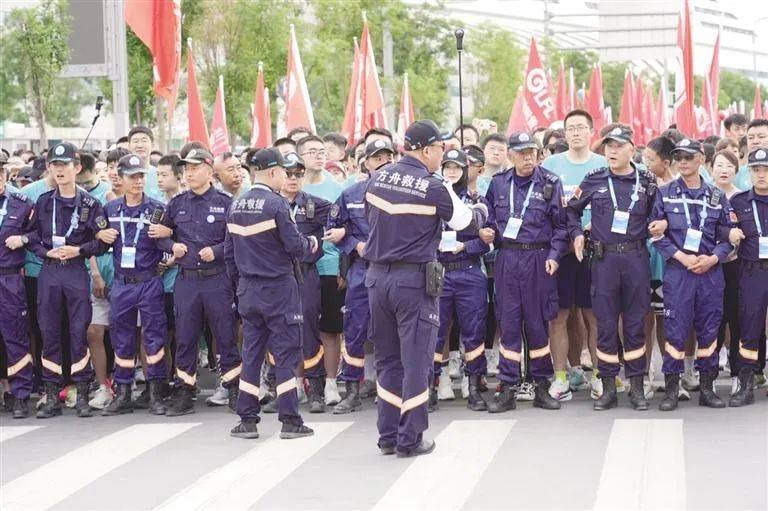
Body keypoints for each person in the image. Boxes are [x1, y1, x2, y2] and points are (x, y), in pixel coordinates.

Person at [363, 120, 488, 457]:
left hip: (376, 278)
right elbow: (467, 224)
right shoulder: (434, 187)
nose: (441, 157)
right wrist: (479, 207)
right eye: (440, 150)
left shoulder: (377, 178)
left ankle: (388, 434)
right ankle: (411, 438)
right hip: (413, 281)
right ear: (427, 149)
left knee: (388, 361)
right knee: (416, 360)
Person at [225, 147, 319, 439]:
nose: (286, 177)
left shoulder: (237, 205)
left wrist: (238, 287)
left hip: (248, 290)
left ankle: (247, 420)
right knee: (286, 354)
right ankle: (290, 420)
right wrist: (313, 243)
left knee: (251, 354)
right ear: (274, 172)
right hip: (278, 289)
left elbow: (229, 254)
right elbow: (295, 246)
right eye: (284, 172)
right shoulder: (277, 205)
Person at [567, 125, 657, 411]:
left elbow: (659, 213)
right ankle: (607, 386)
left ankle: (637, 386)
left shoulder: (647, 180)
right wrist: (578, 233)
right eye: (609, 146)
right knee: (605, 325)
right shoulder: (594, 179)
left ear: (633, 148)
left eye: (619, 146)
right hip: (604, 261)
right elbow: (571, 210)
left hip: (635, 259)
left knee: (635, 325)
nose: (613, 151)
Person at [153, 148, 242, 416]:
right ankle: (185, 389)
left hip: (217, 280)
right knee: (185, 337)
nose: (188, 173)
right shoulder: (177, 203)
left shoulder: (226, 203)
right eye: (186, 169)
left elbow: (237, 239)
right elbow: (160, 235)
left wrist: (216, 251)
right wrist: (172, 245)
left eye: (194, 168)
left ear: (208, 170)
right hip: (187, 280)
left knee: (225, 335)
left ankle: (234, 387)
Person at [482, 133, 567, 412]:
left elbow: (561, 227)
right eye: (521, 153)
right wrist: (486, 233)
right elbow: (489, 219)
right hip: (508, 257)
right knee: (508, 322)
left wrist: (555, 256)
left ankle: (541, 386)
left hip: (538, 259)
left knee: (537, 323)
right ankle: (507, 387)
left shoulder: (550, 183)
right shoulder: (498, 184)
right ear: (511, 155)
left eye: (532, 152)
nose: (528, 157)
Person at [651, 138, 734, 411]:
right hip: (679, 272)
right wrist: (681, 257)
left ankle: (707, 387)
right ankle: (672, 388)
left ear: (701, 159)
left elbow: (726, 237)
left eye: (689, 157)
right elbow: (657, 236)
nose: (683, 162)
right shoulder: (665, 193)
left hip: (709, 273)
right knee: (675, 331)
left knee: (709, 330)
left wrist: (713, 258)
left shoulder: (716, 196)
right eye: (679, 158)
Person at [27, 142, 108, 419]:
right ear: (49, 169)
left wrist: (79, 250)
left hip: (75, 271)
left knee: (78, 331)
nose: (59, 170)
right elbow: (31, 237)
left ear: (77, 168)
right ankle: (51, 395)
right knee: (48, 331)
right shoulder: (43, 201)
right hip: (50, 271)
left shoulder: (90, 203)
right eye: (55, 165)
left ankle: (82, 392)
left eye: (65, 165)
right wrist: (44, 251)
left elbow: (102, 242)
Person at [542, 110, 607, 401]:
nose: (576, 132)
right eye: (571, 128)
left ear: (592, 131)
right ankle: (560, 377)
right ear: (564, 134)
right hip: (562, 251)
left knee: (594, 316)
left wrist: (594, 227)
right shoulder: (551, 165)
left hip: (595, 250)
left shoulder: (603, 165)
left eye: (582, 127)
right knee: (559, 316)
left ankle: (598, 375)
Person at [97, 154, 168, 416]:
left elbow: (168, 244)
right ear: (121, 178)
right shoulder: (111, 209)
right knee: (121, 339)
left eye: (141, 176)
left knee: (154, 338)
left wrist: (169, 235)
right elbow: (100, 244)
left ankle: (155, 393)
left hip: (149, 281)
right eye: (133, 176)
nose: (138, 181)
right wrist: (99, 235)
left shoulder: (158, 209)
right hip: (122, 284)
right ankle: (124, 392)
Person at [328, 139, 395, 414]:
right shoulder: (351, 194)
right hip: (362, 270)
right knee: (355, 330)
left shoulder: (405, 193)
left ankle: (390, 390)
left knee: (392, 332)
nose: (383, 162)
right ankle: (352, 390)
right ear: (365, 163)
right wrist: (353, 244)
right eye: (376, 157)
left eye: (387, 156)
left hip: (395, 270)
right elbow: (333, 227)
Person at [432, 148, 492, 412]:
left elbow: (489, 239)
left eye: (457, 167)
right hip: (439, 273)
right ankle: (431, 386)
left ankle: (474, 385)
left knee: (474, 332)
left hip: (468, 270)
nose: (452, 171)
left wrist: (465, 248)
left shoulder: (477, 200)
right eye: (448, 167)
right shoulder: (432, 198)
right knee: (435, 332)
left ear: (465, 171)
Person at [280, 151, 332, 413]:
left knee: (310, 329)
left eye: (298, 174)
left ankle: (316, 389)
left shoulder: (316, 205)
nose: (293, 178)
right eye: (288, 173)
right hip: (278, 276)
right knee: (279, 329)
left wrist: (313, 247)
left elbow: (334, 231)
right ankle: (282, 387)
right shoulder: (271, 204)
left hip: (306, 273)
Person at [297, 135, 345, 404]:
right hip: (298, 270)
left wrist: (343, 269)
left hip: (329, 266)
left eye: (322, 151)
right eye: (312, 151)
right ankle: (298, 381)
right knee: (299, 327)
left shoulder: (337, 188)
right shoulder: (292, 188)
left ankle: (329, 384)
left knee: (329, 329)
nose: (318, 155)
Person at [76, 151, 118, 410]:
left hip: (129, 277)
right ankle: (104, 385)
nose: (113, 173)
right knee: (94, 331)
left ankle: (135, 385)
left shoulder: (138, 202)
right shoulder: (88, 201)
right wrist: (95, 272)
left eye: (118, 169)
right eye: (111, 167)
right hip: (99, 272)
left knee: (133, 335)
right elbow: (89, 241)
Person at [727, 148, 768, 406]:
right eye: (756, 170)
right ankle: (747, 382)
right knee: (749, 326)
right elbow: (726, 229)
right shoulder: (739, 202)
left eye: (766, 169)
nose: (761, 175)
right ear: (749, 172)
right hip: (752, 270)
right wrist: (730, 234)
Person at [0, 153, 36, 418]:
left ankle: (20, 394)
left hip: (9, 278)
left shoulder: (21, 203)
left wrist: (23, 238)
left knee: (16, 336)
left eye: (1, 172)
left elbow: (40, 231)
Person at [127, 126, 163, 201]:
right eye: (135, 141)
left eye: (144, 141)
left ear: (152, 145)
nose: (140, 145)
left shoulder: (160, 175)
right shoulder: (123, 175)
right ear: (129, 146)